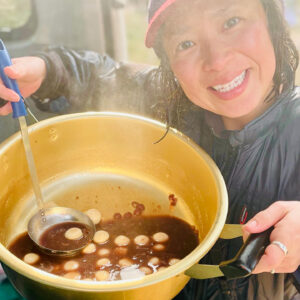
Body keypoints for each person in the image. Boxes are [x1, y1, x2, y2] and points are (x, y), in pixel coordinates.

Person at [0, 0, 300, 298]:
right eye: (186, 42)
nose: (216, 61)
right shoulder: (171, 104)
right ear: (170, 65)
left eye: (231, 22)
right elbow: (103, 77)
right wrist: (46, 71)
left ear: (272, 20)